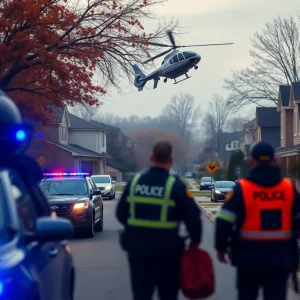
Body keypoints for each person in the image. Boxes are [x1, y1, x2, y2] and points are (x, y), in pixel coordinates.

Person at [116, 140, 202, 300]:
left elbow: (120, 213)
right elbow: (193, 218)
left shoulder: (134, 183)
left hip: (138, 250)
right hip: (168, 252)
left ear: (151, 158)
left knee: (141, 294)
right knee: (168, 295)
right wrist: (195, 242)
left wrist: (134, 229)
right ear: (170, 161)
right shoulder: (175, 186)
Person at [214, 141, 300, 300]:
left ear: (251, 161)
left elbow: (223, 220)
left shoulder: (242, 188)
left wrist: (221, 248)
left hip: (248, 259)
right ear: (274, 160)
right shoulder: (288, 188)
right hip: (280, 259)